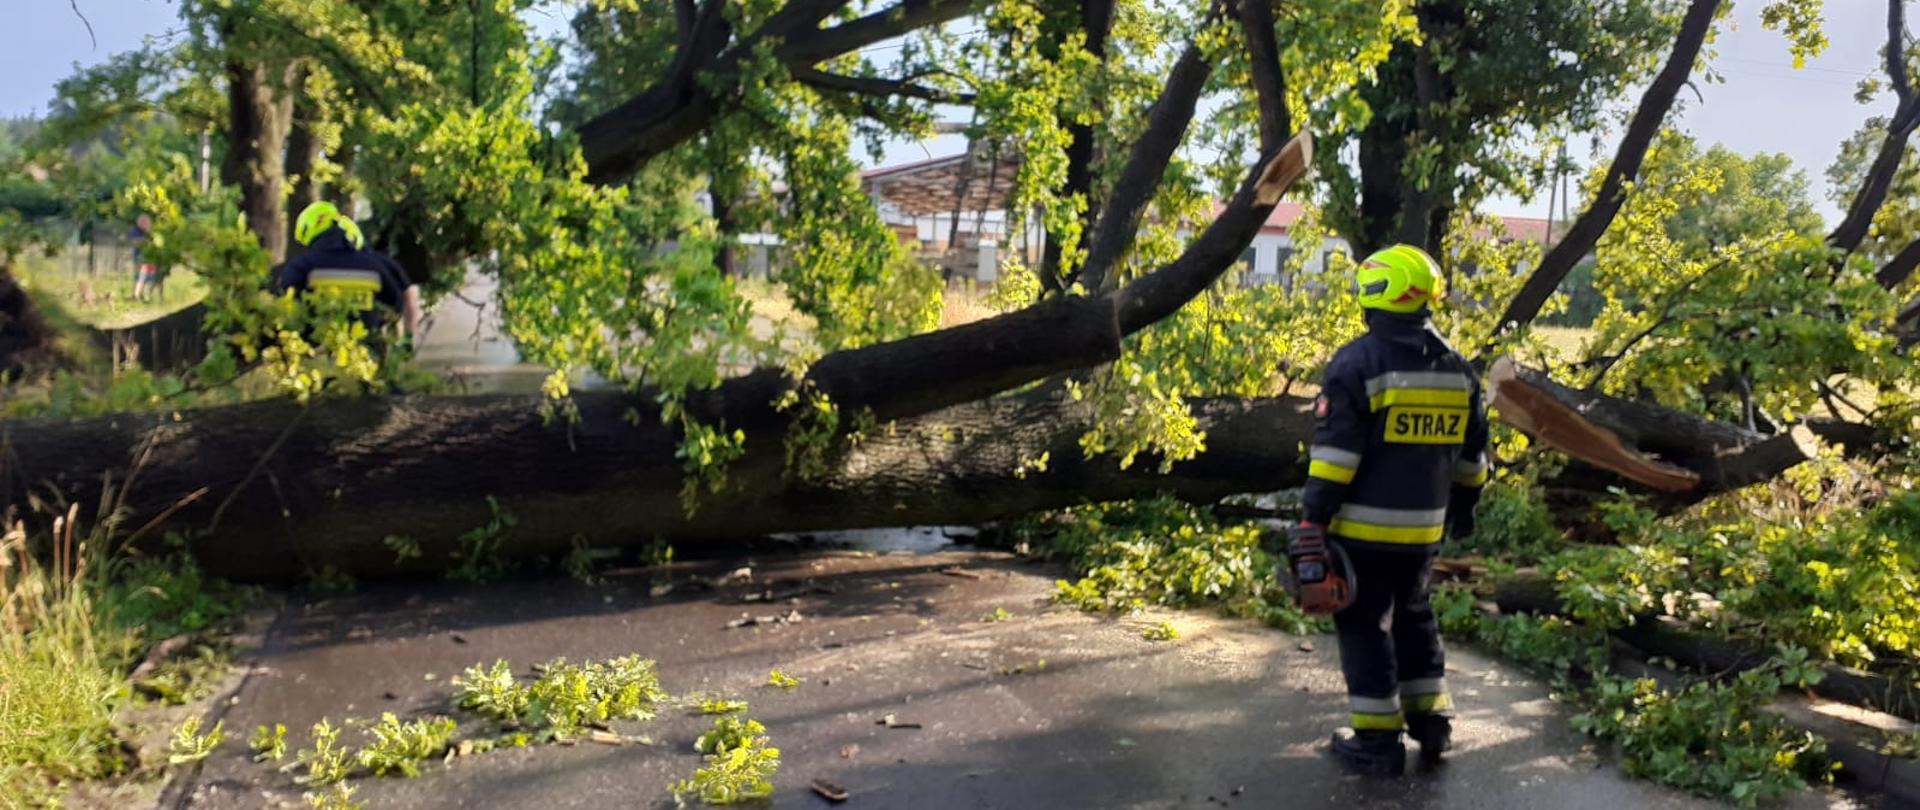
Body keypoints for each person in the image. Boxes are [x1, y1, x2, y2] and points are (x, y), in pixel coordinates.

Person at [1290, 244, 1489, 776]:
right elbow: (1473, 462)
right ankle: (1433, 723)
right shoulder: (1457, 370)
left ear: (1373, 295)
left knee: (1365, 627)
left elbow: (1335, 459)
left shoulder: (1357, 364)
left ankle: (1377, 742)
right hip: (1423, 535)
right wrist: (1463, 512)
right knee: (1415, 618)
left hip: (1363, 534)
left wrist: (1312, 522)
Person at [276, 201, 421, 342]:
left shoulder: (302, 265)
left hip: (317, 350)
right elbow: (397, 303)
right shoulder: (373, 264)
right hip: (367, 350)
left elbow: (284, 303)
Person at [130, 214, 157, 302]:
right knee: (139, 276)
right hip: (139, 256)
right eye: (142, 222)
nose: (144, 224)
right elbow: (135, 242)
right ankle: (136, 295)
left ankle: (145, 295)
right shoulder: (135, 230)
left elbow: (155, 242)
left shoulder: (151, 232)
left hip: (150, 256)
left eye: (146, 222)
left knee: (149, 276)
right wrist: (146, 241)